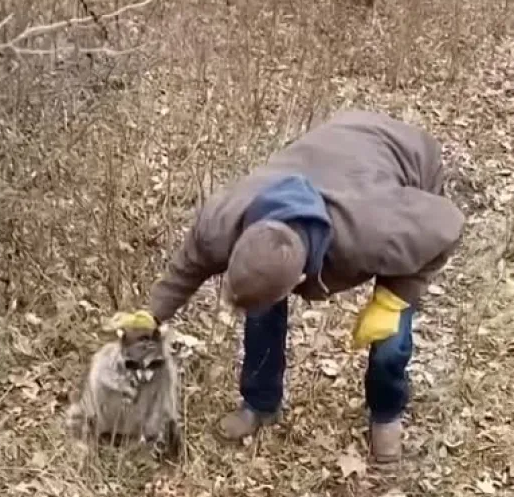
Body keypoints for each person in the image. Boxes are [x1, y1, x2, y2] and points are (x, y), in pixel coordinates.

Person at [146, 110, 464, 462]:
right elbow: (189, 266)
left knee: (391, 335)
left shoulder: (373, 233)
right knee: (261, 300)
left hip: (404, 160)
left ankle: (386, 412)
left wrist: (392, 300)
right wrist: (150, 316)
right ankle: (261, 403)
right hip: (334, 150)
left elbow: (447, 225)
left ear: (300, 281)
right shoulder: (225, 221)